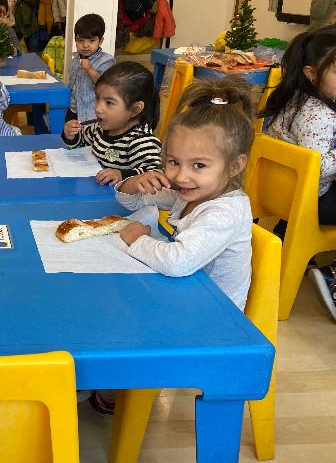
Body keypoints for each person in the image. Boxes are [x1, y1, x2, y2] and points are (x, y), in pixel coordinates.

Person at [116, 76, 255, 310]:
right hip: (185, 292)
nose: (181, 176)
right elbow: (136, 201)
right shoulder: (191, 192)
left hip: (213, 313)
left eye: (198, 165)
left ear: (234, 166)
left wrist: (137, 240)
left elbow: (177, 262)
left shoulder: (225, 212)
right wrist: (134, 183)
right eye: (173, 161)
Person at [262, 25, 336, 319]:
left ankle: (286, 244)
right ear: (311, 73)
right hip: (310, 200)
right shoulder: (318, 113)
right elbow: (321, 166)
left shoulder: (298, 99)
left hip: (281, 194)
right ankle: (333, 277)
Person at [62, 61, 162, 185]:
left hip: (121, 197)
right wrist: (71, 134)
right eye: (97, 98)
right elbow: (80, 142)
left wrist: (121, 175)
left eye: (109, 102)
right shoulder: (99, 129)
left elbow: (154, 174)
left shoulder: (141, 141)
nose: (98, 108)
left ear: (135, 109)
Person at [64, 13, 116, 124]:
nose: (85, 45)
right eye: (80, 40)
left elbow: (105, 86)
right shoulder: (75, 60)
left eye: (91, 40)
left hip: (92, 114)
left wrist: (90, 69)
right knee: (70, 133)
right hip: (73, 109)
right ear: (75, 40)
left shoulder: (106, 61)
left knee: (88, 134)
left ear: (100, 41)